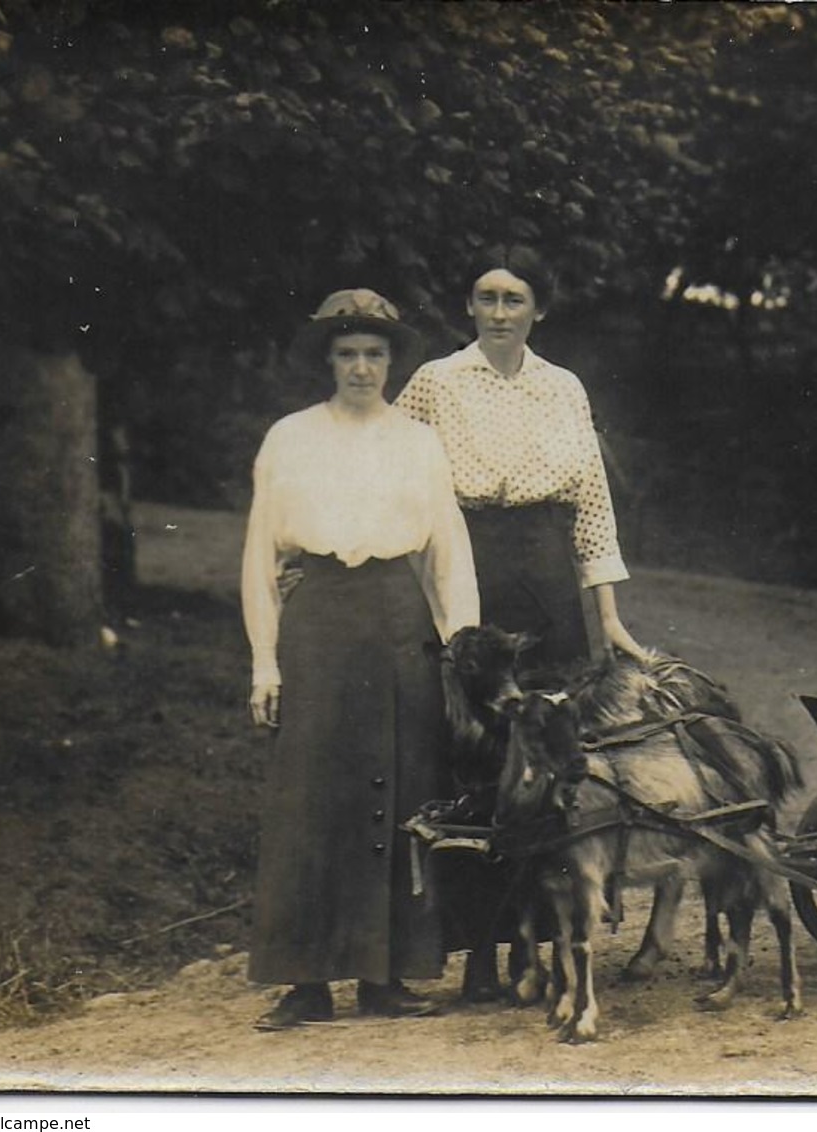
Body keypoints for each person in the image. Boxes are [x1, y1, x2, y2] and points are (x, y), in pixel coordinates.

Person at [241, 288, 480, 1030]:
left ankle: (386, 977)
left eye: (374, 354)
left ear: (390, 363)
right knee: (311, 797)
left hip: (396, 619)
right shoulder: (289, 438)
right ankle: (305, 982)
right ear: (328, 361)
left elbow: (449, 553)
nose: (361, 368)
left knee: (398, 792)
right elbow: (257, 558)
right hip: (316, 621)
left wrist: (462, 649)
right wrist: (264, 664)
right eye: (347, 354)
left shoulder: (417, 442)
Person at [394, 244, 645, 686]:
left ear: (539, 309)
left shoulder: (564, 388)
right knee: (460, 716)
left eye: (514, 300)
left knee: (549, 715)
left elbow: (593, 510)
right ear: (469, 304)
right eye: (487, 298)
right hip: (461, 563)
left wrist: (608, 618)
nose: (499, 314)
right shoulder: (437, 381)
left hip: (545, 573)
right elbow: (384, 471)